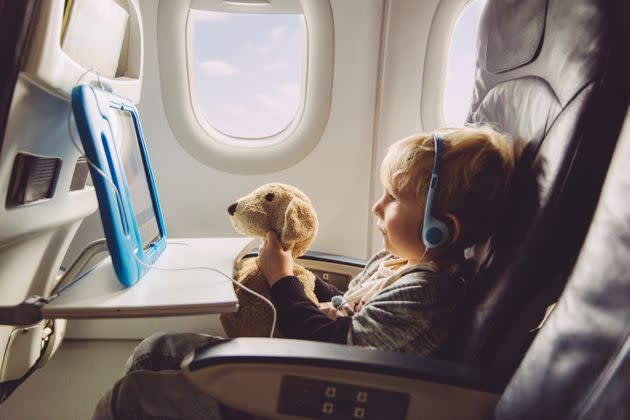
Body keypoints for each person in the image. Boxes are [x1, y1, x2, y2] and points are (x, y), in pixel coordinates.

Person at [93, 126, 515, 419]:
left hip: (312, 396)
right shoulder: (398, 264)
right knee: (156, 349)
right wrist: (300, 276)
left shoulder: (424, 294)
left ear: (440, 228)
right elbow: (343, 308)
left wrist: (282, 281)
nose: (376, 207)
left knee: (127, 400)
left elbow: (330, 344)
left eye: (393, 198)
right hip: (313, 369)